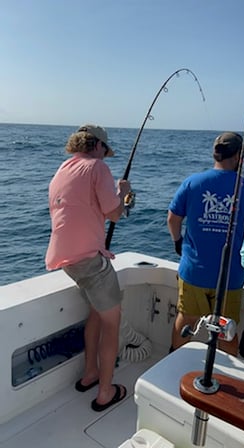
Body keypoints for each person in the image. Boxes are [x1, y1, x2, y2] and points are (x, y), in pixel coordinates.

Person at [45, 124, 131, 412]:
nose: (105, 156)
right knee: (111, 325)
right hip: (91, 262)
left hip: (67, 260)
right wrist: (122, 192)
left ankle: (90, 374)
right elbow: (115, 213)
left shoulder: (63, 169)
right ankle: (105, 392)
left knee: (95, 314)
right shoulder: (97, 167)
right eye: (105, 150)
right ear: (97, 146)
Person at [167, 131, 244, 356]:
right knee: (227, 327)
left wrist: (178, 242)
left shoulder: (192, 182)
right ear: (238, 157)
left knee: (186, 319)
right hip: (230, 277)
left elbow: (173, 219)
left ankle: (173, 361)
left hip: (194, 271)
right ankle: (225, 375)